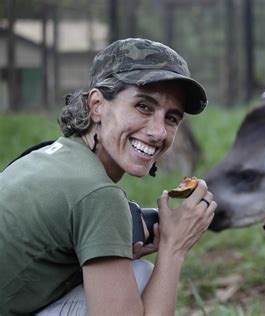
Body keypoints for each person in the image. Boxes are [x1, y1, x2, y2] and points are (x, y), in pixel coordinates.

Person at [0, 38, 216, 315]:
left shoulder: (45, 155)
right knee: (143, 276)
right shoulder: (98, 194)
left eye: (171, 118)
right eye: (143, 107)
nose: (159, 132)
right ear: (97, 105)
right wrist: (173, 248)